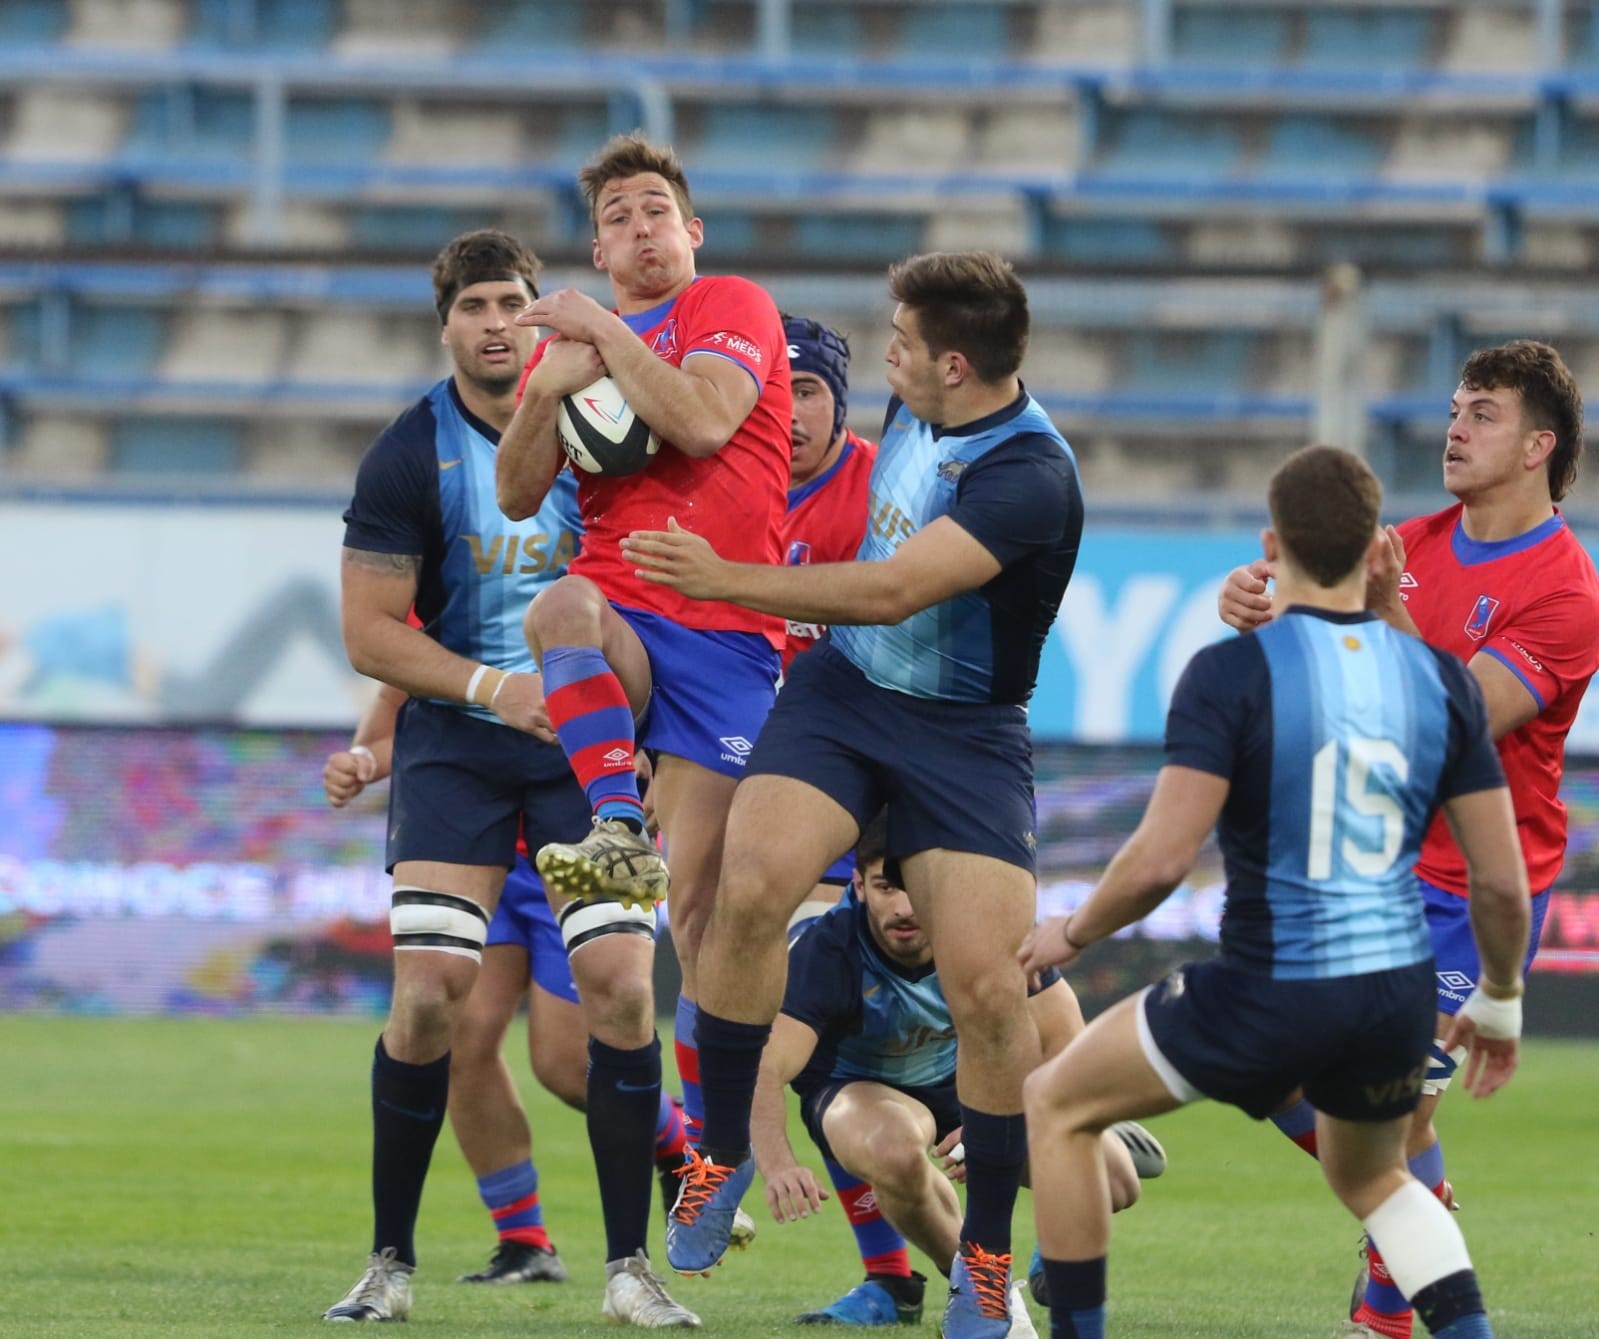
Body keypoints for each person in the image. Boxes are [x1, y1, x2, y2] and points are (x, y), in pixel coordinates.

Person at [626, 250, 1083, 1339]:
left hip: (965, 732)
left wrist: (722, 578)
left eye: (905, 343)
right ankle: (723, 1150)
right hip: (845, 695)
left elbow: (888, 589)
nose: (889, 354)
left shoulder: (1031, 477)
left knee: (985, 992)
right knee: (749, 887)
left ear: (956, 367)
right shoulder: (923, 392)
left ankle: (984, 1254)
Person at [1021, 444, 1531, 1339]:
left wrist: (1072, 929)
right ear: (1381, 553)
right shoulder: (1440, 680)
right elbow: (1498, 877)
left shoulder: (1231, 672)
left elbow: (1157, 861)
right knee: (1375, 1178)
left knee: (1057, 1103)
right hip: (1393, 995)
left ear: (1270, 544)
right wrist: (1500, 998)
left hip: (1269, 987)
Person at [322, 228, 701, 1328]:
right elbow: (369, 632)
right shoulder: (408, 454)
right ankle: (391, 1261)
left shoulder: (612, 424)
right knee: (431, 993)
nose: (494, 323)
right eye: (475, 305)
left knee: (624, 992)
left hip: (591, 756)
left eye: (512, 303)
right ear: (445, 322)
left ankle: (631, 1268)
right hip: (461, 747)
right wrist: (495, 690)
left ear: (543, 313)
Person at [1217, 342, 1599, 1339]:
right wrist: (1254, 603)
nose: (1455, 428)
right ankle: (1416, 1209)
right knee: (1262, 1065)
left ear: (1539, 446)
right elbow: (1296, 612)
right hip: (1370, 864)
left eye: (1482, 413)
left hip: (1473, 885)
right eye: (1454, 409)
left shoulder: (1566, 592)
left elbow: (1453, 718)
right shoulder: (1410, 541)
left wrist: (1378, 613)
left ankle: (1394, 1312)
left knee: (1394, 1114)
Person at [495, 132, 791, 1195]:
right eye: (616, 216)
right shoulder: (572, 344)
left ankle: (718, 1148)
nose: (638, 229)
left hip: (722, 623)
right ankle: (620, 821)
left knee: (702, 914)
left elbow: (706, 421)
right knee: (558, 603)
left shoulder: (734, 308)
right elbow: (518, 495)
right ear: (598, 243)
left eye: (654, 209)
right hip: (620, 603)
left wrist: (603, 337)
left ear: (691, 230)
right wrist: (542, 390)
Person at [322, 684, 690, 1287]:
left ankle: (678, 1143)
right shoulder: (443, 600)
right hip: (471, 853)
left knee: (568, 1064)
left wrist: (652, 758)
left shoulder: (579, 596)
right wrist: (364, 758)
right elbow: (401, 695)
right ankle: (524, 1240)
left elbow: (637, 668)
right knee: (458, 1035)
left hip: (574, 844)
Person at [753, 819, 1158, 1330]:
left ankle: (1075, 1191)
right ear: (858, 886)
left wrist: (1013, 1121)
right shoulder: (826, 951)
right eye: (884, 887)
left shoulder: (987, 928)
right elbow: (766, 1065)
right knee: (894, 1150)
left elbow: (1064, 1038)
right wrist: (779, 1163)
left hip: (968, 1080)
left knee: (1117, 1182)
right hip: (858, 1089)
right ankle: (984, 1293)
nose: (903, 907)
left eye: (913, 888)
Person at [777, 312, 878, 929]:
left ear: (838, 403)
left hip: (858, 753)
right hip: (750, 750)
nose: (787, 412)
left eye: (807, 391)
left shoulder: (884, 492)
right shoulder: (716, 492)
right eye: (770, 390)